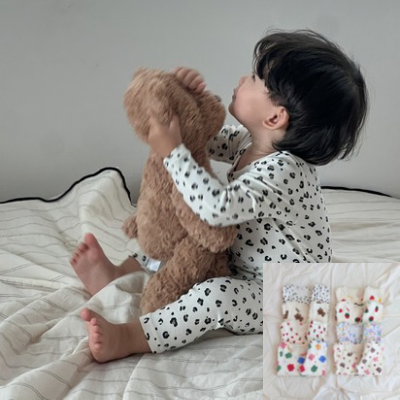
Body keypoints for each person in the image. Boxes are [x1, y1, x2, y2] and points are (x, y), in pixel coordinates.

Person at [70, 29, 368, 362]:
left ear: (275, 117)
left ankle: (131, 336)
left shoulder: (285, 172)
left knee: (215, 296)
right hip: (239, 260)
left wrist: (173, 154)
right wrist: (184, 101)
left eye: (254, 78)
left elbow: (217, 208)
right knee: (177, 237)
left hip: (285, 295)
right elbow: (199, 139)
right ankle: (117, 275)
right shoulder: (249, 142)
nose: (242, 79)